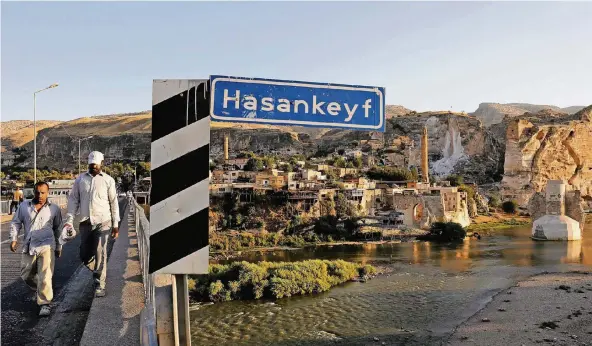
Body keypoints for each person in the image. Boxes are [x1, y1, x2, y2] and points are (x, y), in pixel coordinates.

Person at [65, 151, 120, 298]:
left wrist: (115, 224)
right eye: (91, 164)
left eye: (96, 164)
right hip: (85, 222)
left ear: (101, 164)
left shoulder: (108, 180)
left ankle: (99, 284)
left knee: (100, 250)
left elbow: (114, 203)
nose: (93, 166)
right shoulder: (80, 180)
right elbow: (73, 200)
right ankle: (95, 266)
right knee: (84, 254)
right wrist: (69, 220)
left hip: (104, 221)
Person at [9, 181, 63, 317]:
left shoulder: (54, 209)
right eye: (37, 192)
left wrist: (59, 246)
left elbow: (58, 229)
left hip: (47, 245)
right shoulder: (24, 206)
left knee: (45, 275)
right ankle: (42, 289)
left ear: (48, 192)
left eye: (43, 192)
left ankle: (45, 303)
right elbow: (15, 222)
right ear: (34, 192)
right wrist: (14, 239)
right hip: (29, 244)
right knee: (26, 274)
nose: (40, 195)